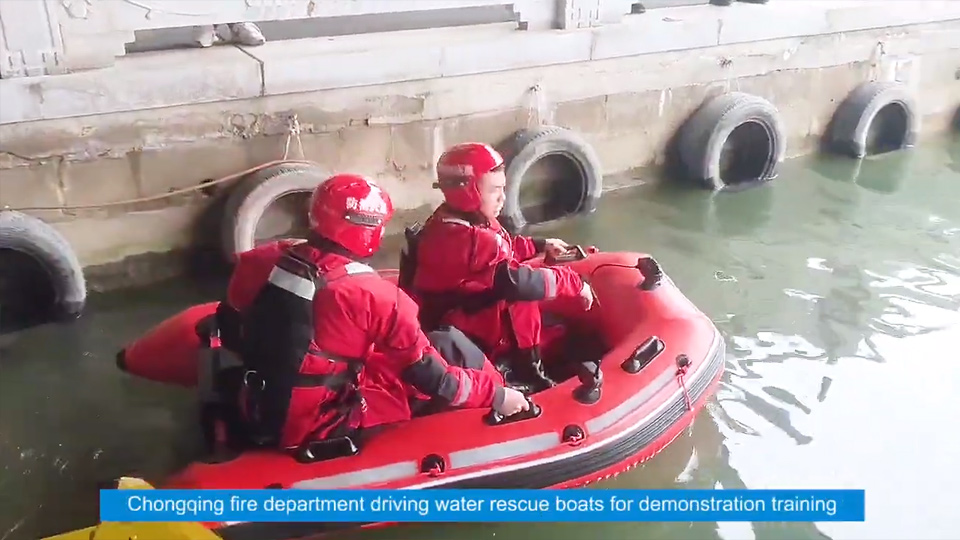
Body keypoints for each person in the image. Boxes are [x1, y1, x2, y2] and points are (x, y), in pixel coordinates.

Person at [211, 173, 529, 455]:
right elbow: (439, 381)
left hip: (254, 399)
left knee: (430, 346)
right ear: (370, 228)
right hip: (318, 422)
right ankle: (512, 405)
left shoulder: (264, 258)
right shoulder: (376, 297)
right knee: (446, 348)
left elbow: (236, 322)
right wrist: (496, 394)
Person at [400, 142, 595, 394]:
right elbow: (518, 282)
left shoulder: (452, 222)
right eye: (495, 190)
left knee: (546, 318)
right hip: (466, 329)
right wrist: (575, 283)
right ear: (468, 192)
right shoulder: (466, 239)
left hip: (460, 317)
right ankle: (530, 375)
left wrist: (540, 244)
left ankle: (528, 362)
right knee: (521, 301)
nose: (503, 197)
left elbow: (502, 246)